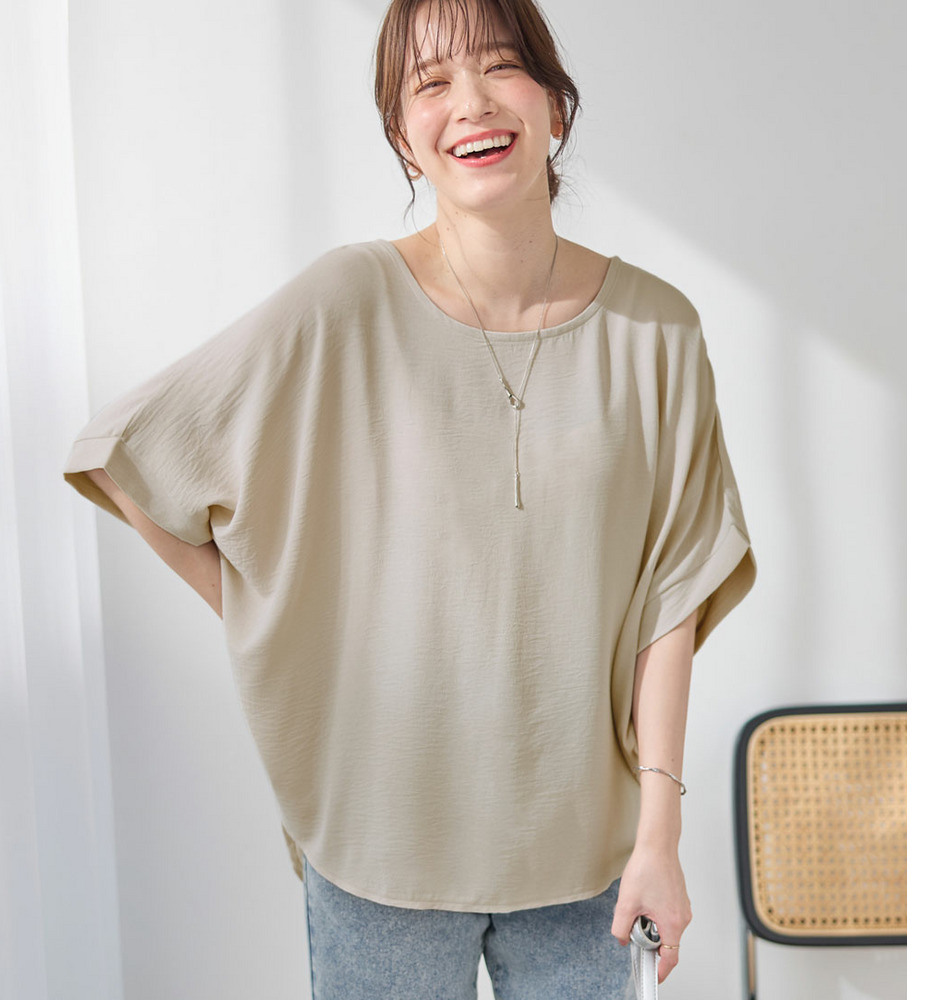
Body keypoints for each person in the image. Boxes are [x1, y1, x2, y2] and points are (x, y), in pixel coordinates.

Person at [64, 0, 756, 996]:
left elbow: (671, 596)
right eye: (430, 84)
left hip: (590, 853)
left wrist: (660, 835)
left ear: (554, 105)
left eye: (500, 66)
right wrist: (283, 625)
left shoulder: (657, 331)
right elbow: (136, 454)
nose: (470, 102)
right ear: (402, 137)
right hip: (379, 849)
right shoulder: (344, 302)